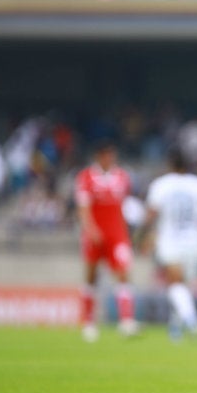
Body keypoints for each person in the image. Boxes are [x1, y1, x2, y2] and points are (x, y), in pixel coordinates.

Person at [137, 147, 197, 340]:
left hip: (170, 240)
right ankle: (175, 328)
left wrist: (140, 236)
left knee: (175, 285)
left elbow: (151, 214)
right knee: (183, 287)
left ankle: (192, 320)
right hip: (194, 241)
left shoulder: (162, 185)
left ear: (170, 164)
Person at [75, 140, 138, 342]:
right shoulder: (86, 177)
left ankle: (126, 321)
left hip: (117, 234)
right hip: (94, 233)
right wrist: (90, 229)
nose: (109, 158)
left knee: (123, 273)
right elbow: (83, 207)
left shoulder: (122, 177)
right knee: (92, 276)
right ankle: (88, 322)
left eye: (111, 154)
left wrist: (126, 232)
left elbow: (124, 205)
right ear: (98, 156)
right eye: (105, 154)